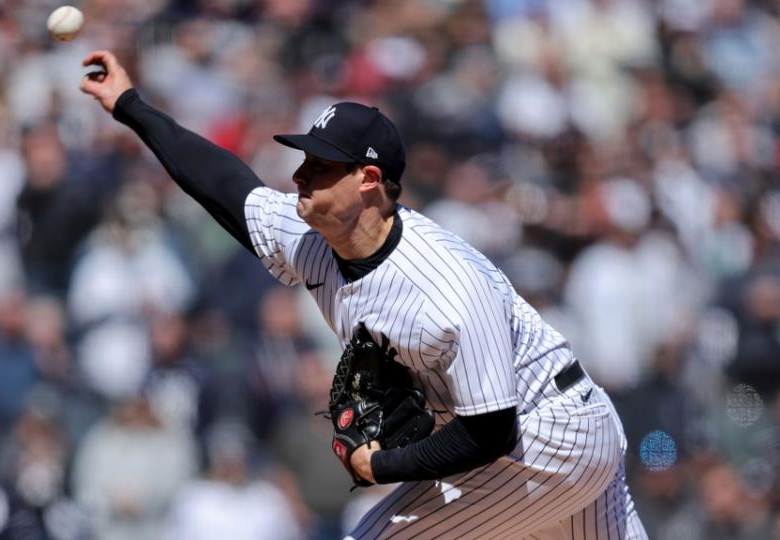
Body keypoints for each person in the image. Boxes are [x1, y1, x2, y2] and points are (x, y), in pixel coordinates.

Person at [80, 50, 648, 539]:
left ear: (369, 181)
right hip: (553, 433)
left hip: (547, 437)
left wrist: (385, 464)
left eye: (321, 165)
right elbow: (227, 186)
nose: (301, 175)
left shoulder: (445, 287)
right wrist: (133, 106)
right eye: (304, 160)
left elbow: (490, 430)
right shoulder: (311, 236)